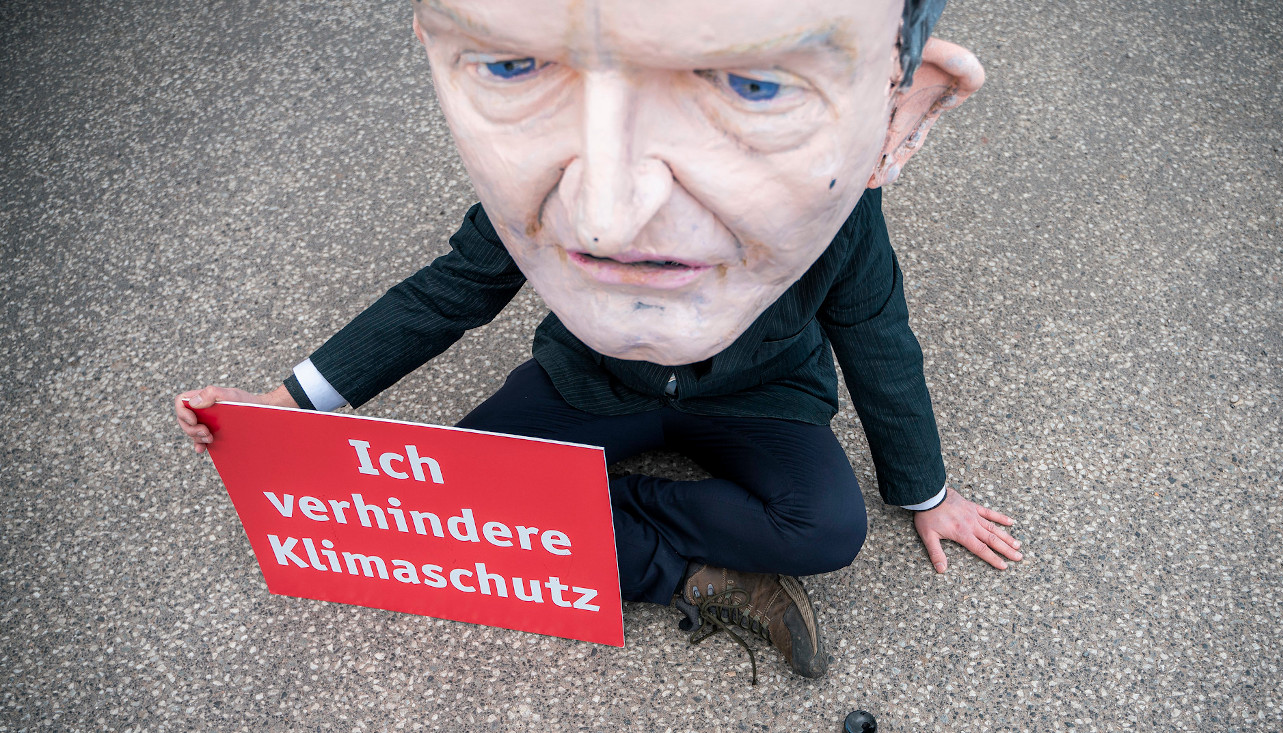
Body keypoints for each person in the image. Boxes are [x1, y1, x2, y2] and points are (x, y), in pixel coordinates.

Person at [175, 0, 1022, 682]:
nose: (612, 211)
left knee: (831, 528)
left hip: (760, 399)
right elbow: (451, 290)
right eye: (512, 64)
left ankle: (594, 514)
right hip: (592, 381)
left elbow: (879, 339)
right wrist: (288, 404)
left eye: (756, 84)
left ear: (894, 113)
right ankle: (691, 574)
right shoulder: (560, 194)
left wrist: (924, 490)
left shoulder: (847, 217)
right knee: (456, 497)